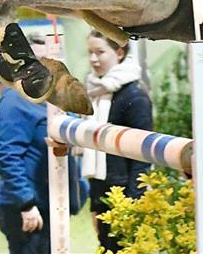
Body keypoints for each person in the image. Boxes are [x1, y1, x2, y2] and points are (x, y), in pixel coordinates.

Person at [0, 34, 86, 254]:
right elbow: (7, 155)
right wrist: (26, 205)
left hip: (51, 201)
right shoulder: (15, 101)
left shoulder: (55, 98)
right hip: (30, 208)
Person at [82, 29, 152, 253]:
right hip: (103, 195)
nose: (93, 59)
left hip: (125, 196)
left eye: (100, 52)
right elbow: (94, 150)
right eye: (90, 52)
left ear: (119, 53)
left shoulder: (135, 97)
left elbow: (143, 157)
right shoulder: (95, 92)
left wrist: (133, 204)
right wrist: (95, 205)